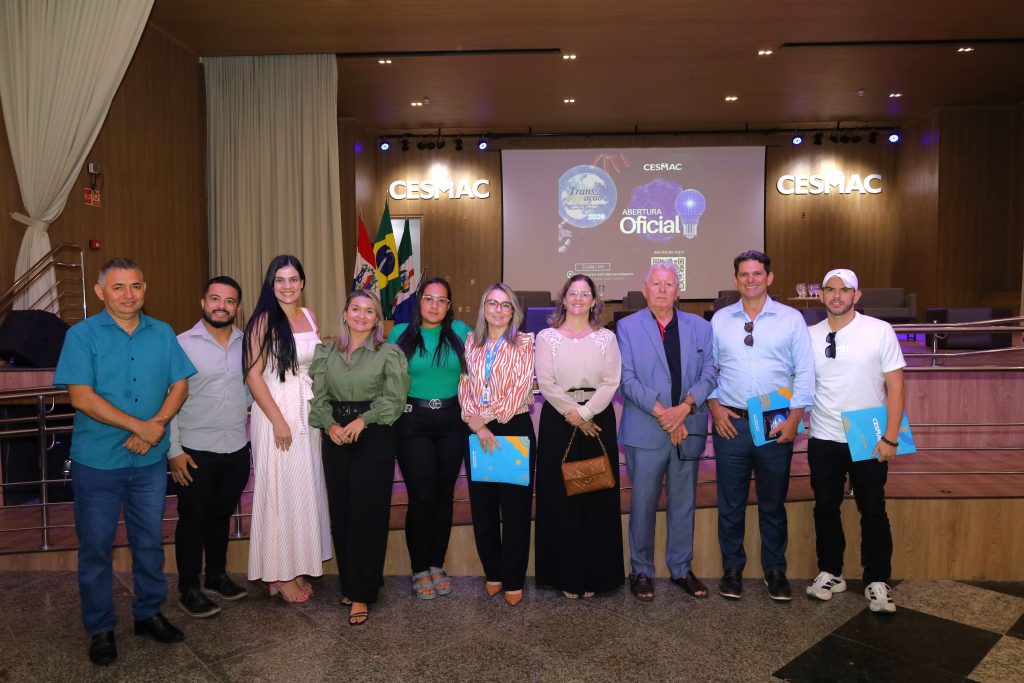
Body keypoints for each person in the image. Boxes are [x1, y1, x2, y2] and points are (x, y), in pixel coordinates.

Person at [54, 258, 195, 666]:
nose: (128, 295)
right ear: (101, 292)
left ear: (144, 288)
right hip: (98, 462)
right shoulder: (81, 336)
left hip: (148, 462)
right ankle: (100, 627)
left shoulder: (162, 332)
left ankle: (148, 613)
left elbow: (180, 385)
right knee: (96, 548)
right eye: (118, 287)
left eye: (135, 286)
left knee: (149, 542)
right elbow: (81, 397)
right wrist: (140, 426)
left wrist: (157, 426)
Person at [708, 250, 814, 601]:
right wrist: (714, 406)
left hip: (776, 421)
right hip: (731, 423)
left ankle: (775, 571)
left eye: (757, 273)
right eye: (744, 274)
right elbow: (707, 370)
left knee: (772, 503)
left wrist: (795, 419)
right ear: (735, 280)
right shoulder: (720, 320)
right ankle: (732, 570)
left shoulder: (791, 319)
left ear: (769, 278)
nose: (751, 279)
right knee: (730, 504)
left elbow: (805, 371)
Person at [805, 269, 905, 613]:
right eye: (830, 289)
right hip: (823, 435)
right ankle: (831, 572)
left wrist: (891, 437)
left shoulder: (879, 330)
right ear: (821, 295)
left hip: (868, 435)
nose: (837, 295)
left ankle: (877, 579)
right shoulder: (808, 335)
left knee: (873, 509)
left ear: (856, 296)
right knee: (825, 507)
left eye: (844, 290)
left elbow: (896, 387)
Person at [617, 262, 716, 601]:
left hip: (688, 426)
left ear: (678, 291)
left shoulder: (700, 327)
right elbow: (626, 379)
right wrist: (665, 414)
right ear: (645, 290)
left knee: (683, 503)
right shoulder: (627, 327)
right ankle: (641, 570)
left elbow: (710, 373)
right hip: (647, 429)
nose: (662, 290)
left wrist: (684, 409)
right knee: (643, 503)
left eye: (669, 284)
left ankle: (681, 568)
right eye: (656, 284)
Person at [309, 289, 409, 625]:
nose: (361, 315)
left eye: (369, 311)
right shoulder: (326, 353)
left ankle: (362, 592)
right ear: (345, 313)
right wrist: (329, 425)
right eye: (356, 308)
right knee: (342, 511)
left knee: (368, 512)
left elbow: (394, 401)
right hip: (336, 434)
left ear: (377, 319)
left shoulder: (389, 353)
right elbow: (318, 398)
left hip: (375, 433)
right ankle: (352, 581)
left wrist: (362, 421)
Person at [243, 255, 331, 603]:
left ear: (303, 283)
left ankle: (295, 563)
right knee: (279, 489)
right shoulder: (263, 321)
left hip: (306, 409)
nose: (287, 286)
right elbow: (253, 375)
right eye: (280, 280)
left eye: (293, 279)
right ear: (271, 283)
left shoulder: (309, 315)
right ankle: (280, 572)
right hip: (275, 409)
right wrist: (279, 420)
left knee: (303, 486)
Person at [534, 274, 624, 599]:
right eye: (573, 293)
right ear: (564, 298)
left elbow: (611, 381)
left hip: (597, 418)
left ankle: (597, 578)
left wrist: (586, 414)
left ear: (594, 301)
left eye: (585, 294)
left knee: (597, 494)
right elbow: (545, 382)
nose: (578, 298)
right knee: (561, 498)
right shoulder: (546, 337)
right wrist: (574, 414)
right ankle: (565, 577)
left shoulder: (606, 338)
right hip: (559, 420)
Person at [168, 276, 252, 618]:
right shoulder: (181, 344)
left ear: (237, 307)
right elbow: (168, 400)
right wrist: (173, 450)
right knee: (192, 519)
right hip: (194, 449)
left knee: (221, 516)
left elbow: (250, 392)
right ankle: (189, 587)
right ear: (203, 302)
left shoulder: (247, 343)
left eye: (229, 301)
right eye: (215, 299)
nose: (222, 306)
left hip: (236, 447)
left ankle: (216, 575)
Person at [388, 277, 471, 599]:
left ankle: (437, 563)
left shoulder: (460, 331)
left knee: (444, 495)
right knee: (422, 496)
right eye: (429, 298)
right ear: (419, 301)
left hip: (452, 421)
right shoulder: (400, 333)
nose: (434, 305)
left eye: (441, 300)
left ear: (449, 306)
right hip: (412, 423)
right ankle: (419, 567)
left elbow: (491, 351)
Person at [458, 284, 535, 606]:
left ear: (513, 310)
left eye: (505, 305)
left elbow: (519, 390)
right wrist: (476, 423)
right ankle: (493, 573)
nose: (498, 309)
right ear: (483, 308)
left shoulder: (525, 343)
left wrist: (482, 419)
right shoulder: (471, 342)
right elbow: (463, 386)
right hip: (477, 431)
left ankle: (514, 578)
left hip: (513, 427)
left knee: (515, 510)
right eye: (492, 303)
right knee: (484, 508)